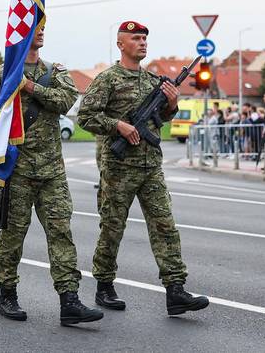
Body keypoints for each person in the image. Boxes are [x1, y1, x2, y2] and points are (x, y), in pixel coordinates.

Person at [0, 25, 102, 326]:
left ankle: (69, 300)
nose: (40, 33)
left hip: (52, 172)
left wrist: (29, 87)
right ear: (20, 32)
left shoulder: (55, 71)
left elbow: (65, 100)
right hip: (17, 172)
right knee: (12, 237)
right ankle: (8, 294)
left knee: (61, 234)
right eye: (34, 28)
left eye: (43, 28)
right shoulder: (1, 75)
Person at [78, 21, 208, 316]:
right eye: (135, 38)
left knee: (165, 228)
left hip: (151, 166)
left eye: (145, 38)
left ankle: (175, 290)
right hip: (118, 168)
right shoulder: (107, 79)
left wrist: (172, 104)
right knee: (112, 228)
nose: (142, 42)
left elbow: (161, 119)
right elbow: (85, 116)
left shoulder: (153, 82)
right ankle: (104, 285)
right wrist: (118, 126)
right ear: (121, 44)